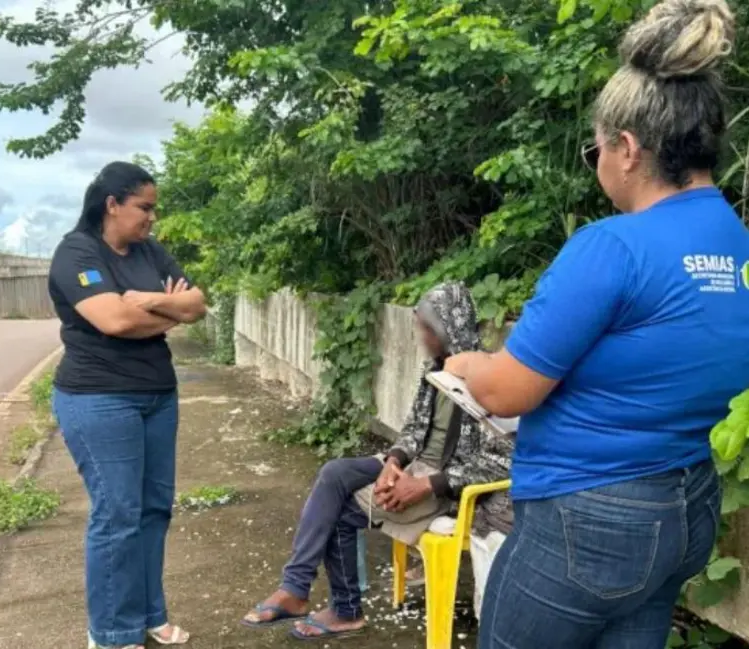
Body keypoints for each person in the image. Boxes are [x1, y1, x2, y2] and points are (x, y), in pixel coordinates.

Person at [443, 1, 749, 648]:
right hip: (685, 508)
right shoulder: (737, 243)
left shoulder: (613, 246)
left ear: (628, 148)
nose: (598, 164)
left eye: (596, 151)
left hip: (588, 518)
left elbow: (503, 391)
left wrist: (463, 363)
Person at [241, 282, 513, 640]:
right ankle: (296, 586)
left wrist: (426, 485)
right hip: (415, 467)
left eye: (426, 328)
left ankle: (343, 611)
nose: (420, 336)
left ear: (448, 327)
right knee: (335, 473)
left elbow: (504, 459)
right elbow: (414, 429)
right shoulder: (435, 370)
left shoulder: (490, 378)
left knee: (339, 514)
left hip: (446, 487)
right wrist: (394, 462)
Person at [49, 161, 207, 649]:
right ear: (112, 204)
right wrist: (168, 310)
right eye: (145, 207)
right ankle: (113, 633)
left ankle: (150, 614)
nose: (152, 218)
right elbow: (114, 322)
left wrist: (143, 299)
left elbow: (197, 304)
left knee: (154, 509)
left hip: (158, 396)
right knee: (117, 515)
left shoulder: (149, 251)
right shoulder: (77, 251)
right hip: (99, 398)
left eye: (154, 209)